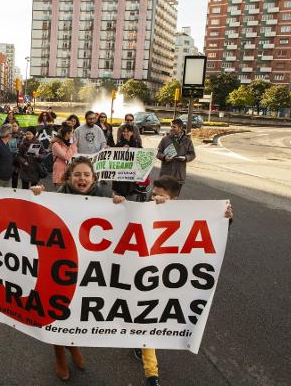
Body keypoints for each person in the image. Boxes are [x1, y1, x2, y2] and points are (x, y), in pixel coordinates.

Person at [131, 174, 233, 386]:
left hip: (168, 281)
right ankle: (150, 371)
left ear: (174, 199)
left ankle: (149, 368)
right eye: (153, 195)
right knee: (144, 319)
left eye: (160, 196)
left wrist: (224, 219)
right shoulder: (144, 212)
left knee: (150, 320)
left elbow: (209, 232)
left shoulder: (185, 217)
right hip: (143, 278)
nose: (154, 199)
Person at [30, 157, 124, 380]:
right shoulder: (57, 196)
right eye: (77, 175)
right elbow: (35, 217)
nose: (82, 179)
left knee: (80, 309)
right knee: (58, 310)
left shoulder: (105, 196)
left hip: (89, 268)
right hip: (59, 265)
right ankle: (60, 355)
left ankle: (74, 346)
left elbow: (129, 221)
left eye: (86, 175)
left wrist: (122, 205)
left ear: (94, 178)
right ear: (69, 177)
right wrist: (35, 196)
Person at [156, 119, 195, 194]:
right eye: (171, 126)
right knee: (162, 198)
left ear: (180, 128)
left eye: (174, 127)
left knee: (173, 199)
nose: (171, 128)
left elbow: (192, 154)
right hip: (165, 175)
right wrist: (164, 157)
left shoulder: (187, 141)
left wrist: (186, 158)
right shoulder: (165, 139)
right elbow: (158, 152)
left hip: (179, 176)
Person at [112, 125, 142, 199]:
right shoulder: (119, 144)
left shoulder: (136, 143)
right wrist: (121, 149)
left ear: (132, 133)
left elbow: (142, 156)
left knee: (130, 198)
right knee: (119, 198)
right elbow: (112, 157)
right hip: (120, 178)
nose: (125, 133)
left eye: (127, 132)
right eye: (124, 132)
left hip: (131, 177)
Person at [51, 123, 76, 188]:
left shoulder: (68, 144)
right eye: (72, 133)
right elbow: (66, 157)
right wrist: (73, 146)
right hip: (59, 172)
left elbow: (74, 155)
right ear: (67, 133)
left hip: (69, 172)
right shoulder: (56, 144)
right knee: (60, 194)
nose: (73, 135)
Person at [7, 122, 23, 188]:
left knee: (15, 176)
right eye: (12, 126)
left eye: (15, 126)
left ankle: (14, 190)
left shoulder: (22, 136)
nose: (13, 127)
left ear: (18, 127)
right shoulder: (6, 135)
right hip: (7, 158)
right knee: (6, 176)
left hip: (17, 159)